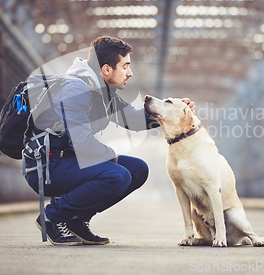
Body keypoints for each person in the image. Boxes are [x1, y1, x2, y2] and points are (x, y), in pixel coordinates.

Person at [24, 36, 195, 246]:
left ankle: (77, 219)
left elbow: (134, 119)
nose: (130, 73)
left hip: (68, 162)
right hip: (48, 167)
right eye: (125, 66)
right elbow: (81, 142)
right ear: (106, 69)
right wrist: (111, 155)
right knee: (117, 175)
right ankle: (52, 217)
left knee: (137, 169)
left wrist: (169, 112)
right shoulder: (76, 90)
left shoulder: (104, 92)